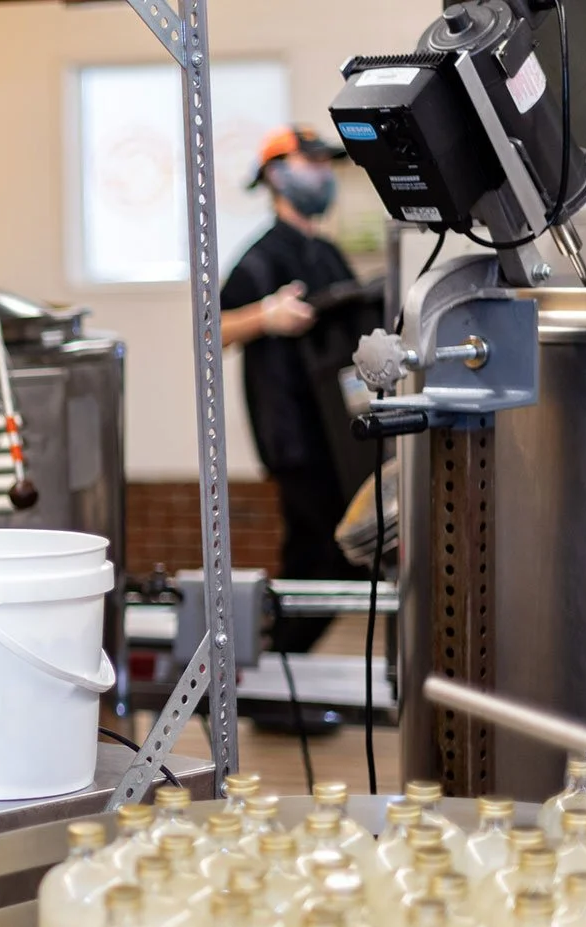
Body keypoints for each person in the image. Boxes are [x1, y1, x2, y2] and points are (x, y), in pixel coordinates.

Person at [219, 124, 363, 654]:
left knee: (344, 555)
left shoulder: (324, 253)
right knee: (317, 556)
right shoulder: (261, 258)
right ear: (277, 175)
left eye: (327, 166)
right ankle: (273, 672)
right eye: (313, 164)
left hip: (337, 433)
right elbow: (210, 332)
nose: (324, 175)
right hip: (293, 434)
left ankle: (279, 672)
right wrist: (265, 316)